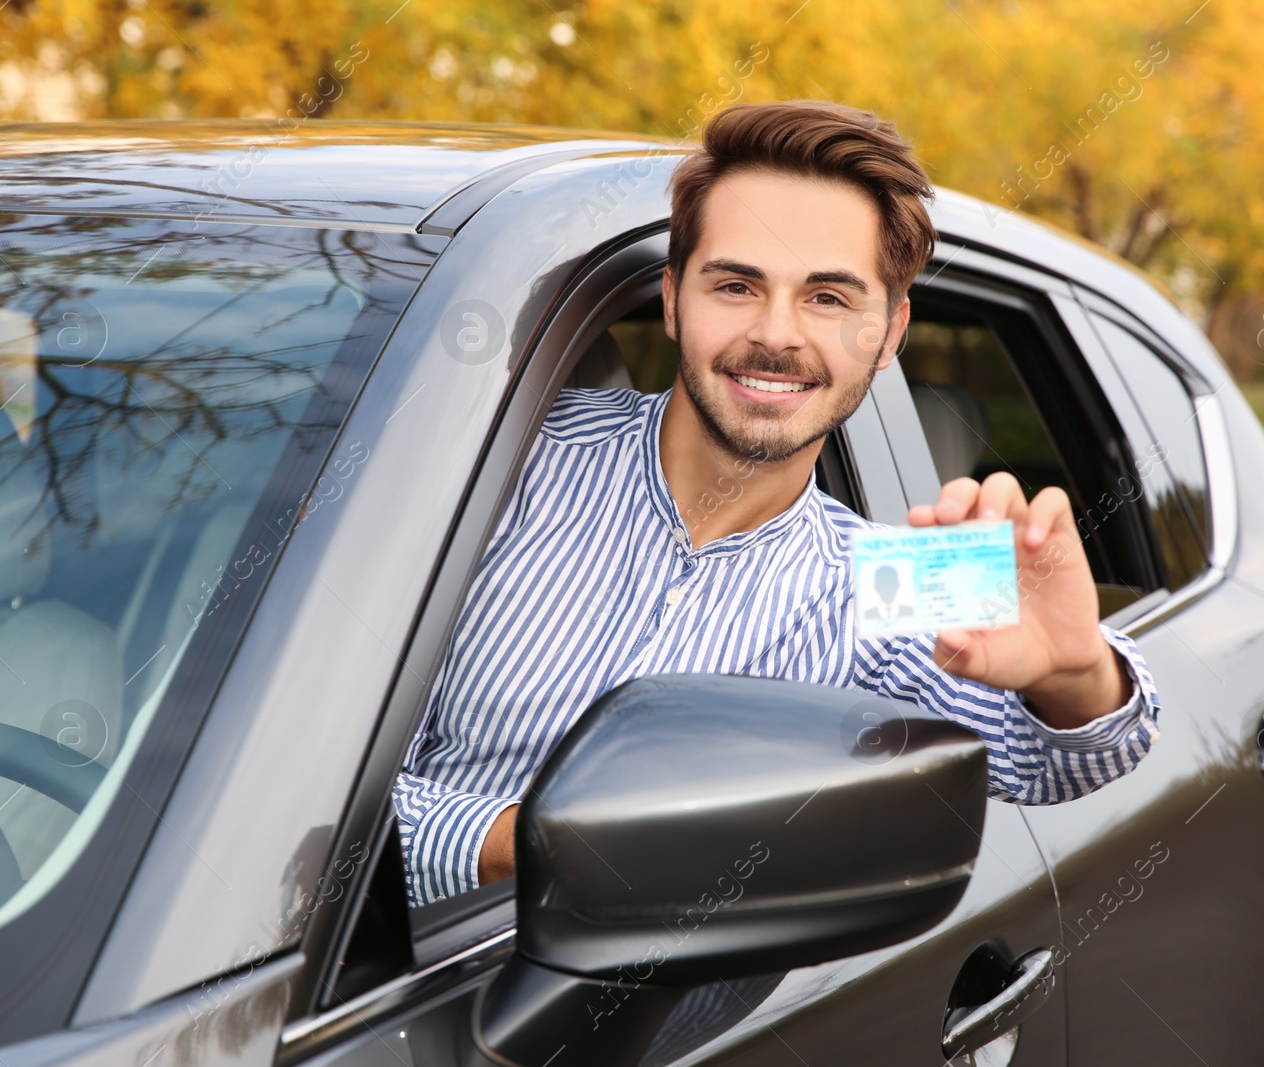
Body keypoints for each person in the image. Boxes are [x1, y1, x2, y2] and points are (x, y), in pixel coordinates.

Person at [394, 100, 1162, 906]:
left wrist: (1078, 672)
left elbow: (1074, 758)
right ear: (671, 298)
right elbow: (307, 790)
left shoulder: (887, 575)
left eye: (828, 298)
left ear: (890, 331)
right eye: (735, 284)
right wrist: (529, 848)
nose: (776, 334)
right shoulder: (499, 458)